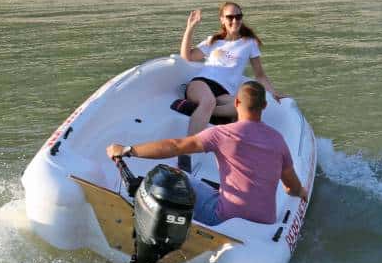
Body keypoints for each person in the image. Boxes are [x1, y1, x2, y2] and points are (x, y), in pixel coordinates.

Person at [106, 81, 308, 227]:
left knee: (167, 174)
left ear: (236, 103)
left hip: (222, 217)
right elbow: (292, 187)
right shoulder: (278, 140)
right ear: (264, 106)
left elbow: (175, 146)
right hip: (265, 221)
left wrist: (127, 150)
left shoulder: (222, 134)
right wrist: (302, 193)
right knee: (216, 191)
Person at [176, 2, 286, 141]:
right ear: (222, 19)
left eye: (238, 17)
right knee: (208, 101)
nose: (235, 21)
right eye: (230, 17)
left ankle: (192, 109)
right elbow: (186, 57)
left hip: (223, 93)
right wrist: (190, 27)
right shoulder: (213, 41)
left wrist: (273, 93)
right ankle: (187, 150)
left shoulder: (249, 43)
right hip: (202, 83)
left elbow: (260, 75)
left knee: (245, 106)